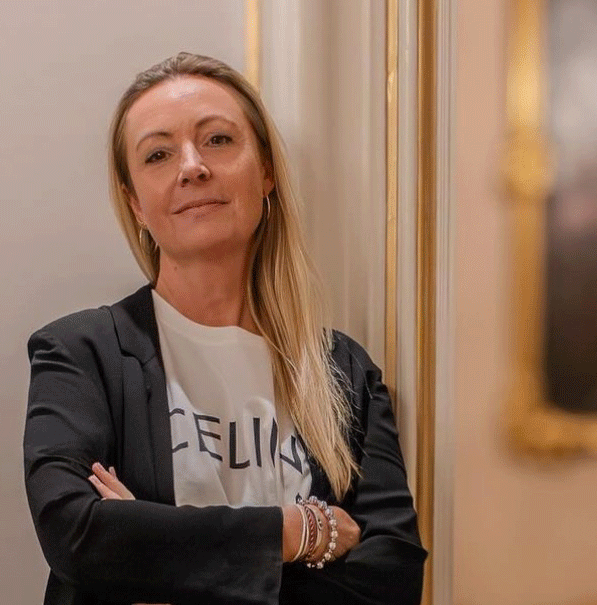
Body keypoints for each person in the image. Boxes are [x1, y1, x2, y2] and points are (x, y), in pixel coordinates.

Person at [22, 52, 427, 605]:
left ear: (266, 173)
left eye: (217, 140)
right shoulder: (81, 355)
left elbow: (392, 579)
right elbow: (77, 535)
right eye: (158, 154)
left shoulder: (344, 370)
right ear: (135, 202)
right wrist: (299, 531)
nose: (192, 167)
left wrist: (153, 547)